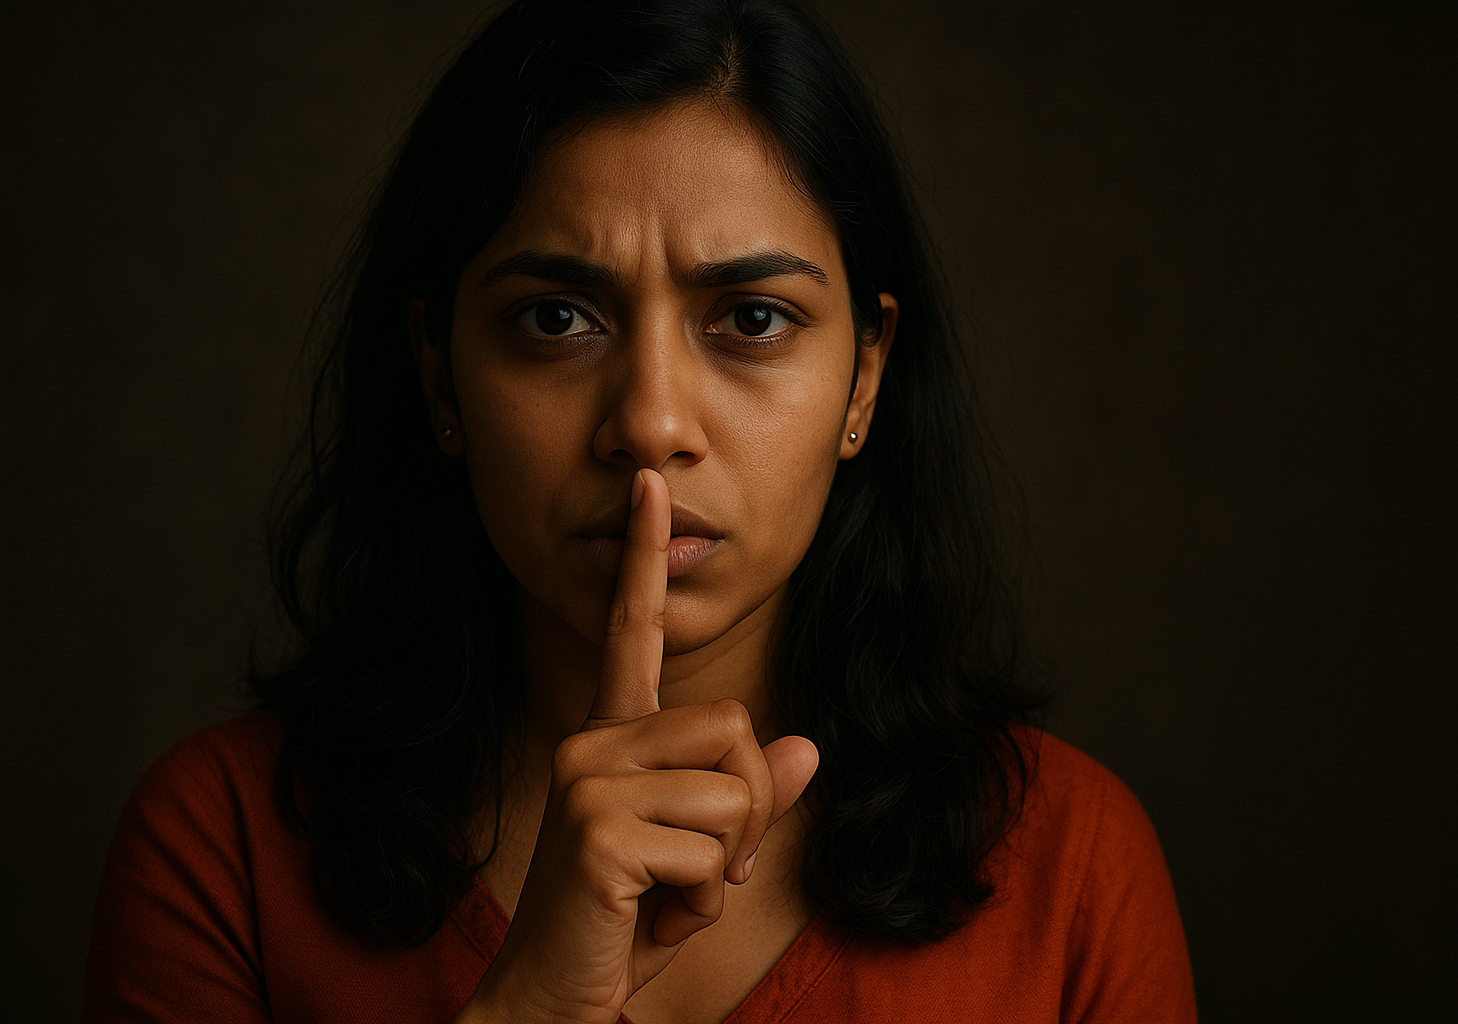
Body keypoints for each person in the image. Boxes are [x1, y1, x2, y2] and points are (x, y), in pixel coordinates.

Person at [83, 1, 1196, 1021]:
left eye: (753, 320)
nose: (651, 421)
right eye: (558, 317)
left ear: (864, 380)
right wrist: (528, 1002)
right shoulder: (224, 844)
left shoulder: (1072, 861)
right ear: (438, 377)